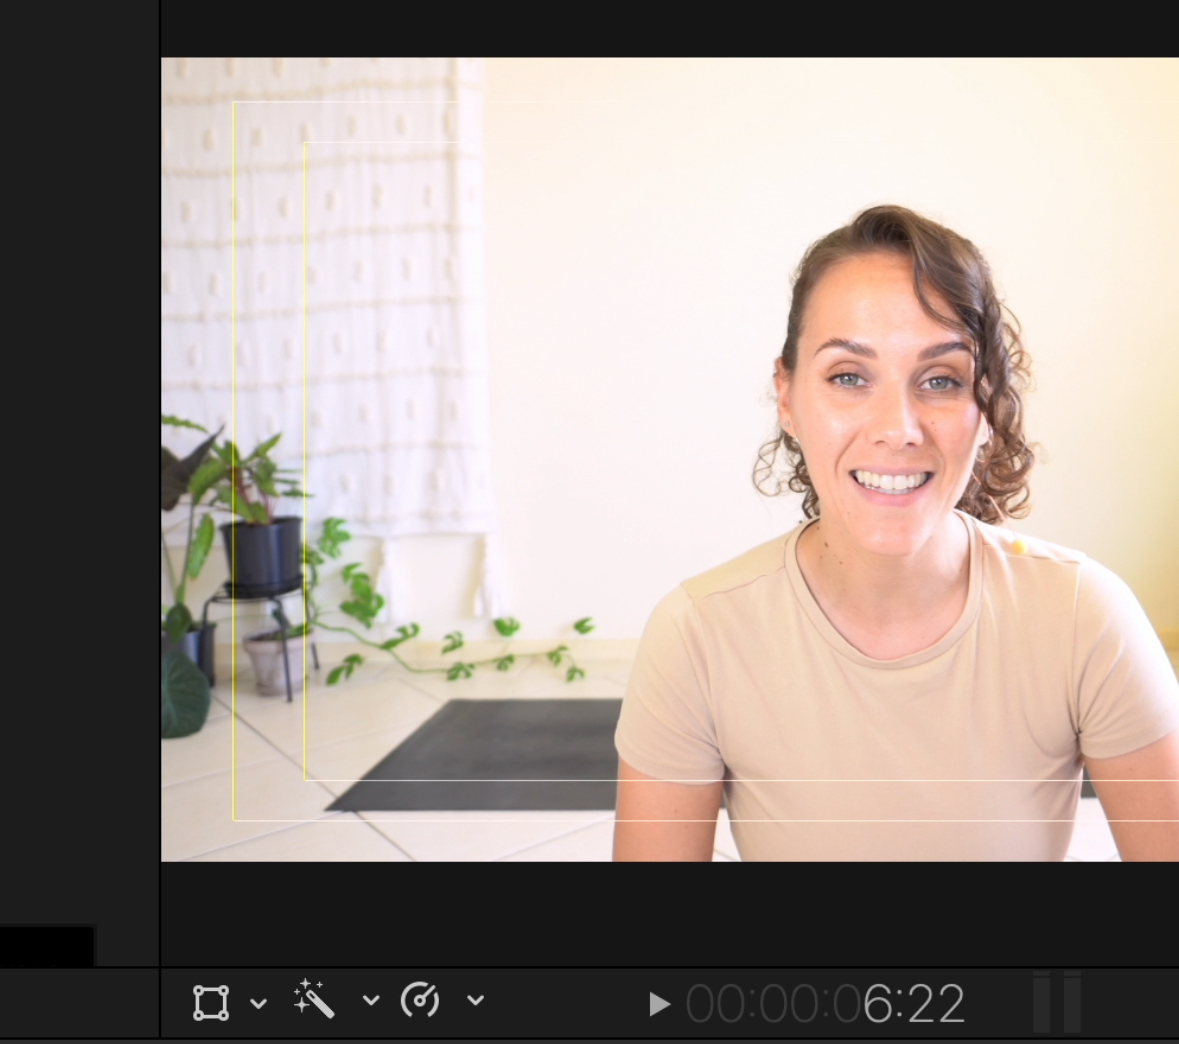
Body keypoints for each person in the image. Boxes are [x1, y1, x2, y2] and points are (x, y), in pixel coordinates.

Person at [613, 205, 1179, 861]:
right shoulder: (697, 633)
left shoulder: (1083, 615)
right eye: (848, 377)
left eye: (940, 380)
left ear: (986, 406)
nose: (897, 428)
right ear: (787, 398)